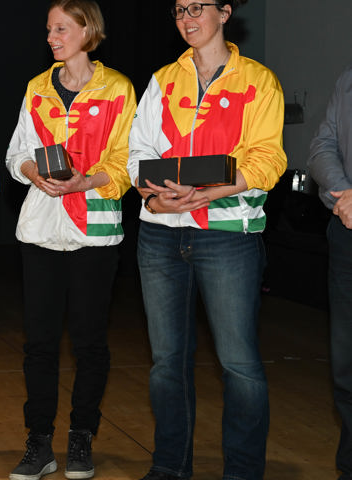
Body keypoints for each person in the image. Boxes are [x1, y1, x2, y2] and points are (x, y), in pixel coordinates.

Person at [126, 1, 286, 479]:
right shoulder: (162, 80)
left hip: (227, 236)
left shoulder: (258, 80)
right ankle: (170, 466)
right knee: (165, 364)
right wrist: (153, 200)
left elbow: (268, 160)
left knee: (239, 365)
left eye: (198, 7)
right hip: (159, 237)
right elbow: (139, 151)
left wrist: (207, 195)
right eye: (179, 10)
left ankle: (241, 472)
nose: (187, 18)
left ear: (225, 12)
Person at [5, 1, 136, 479]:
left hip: (94, 234)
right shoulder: (37, 89)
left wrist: (86, 182)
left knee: (89, 343)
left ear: (87, 30)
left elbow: (127, 162)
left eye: (61, 28)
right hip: (39, 231)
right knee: (38, 343)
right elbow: (16, 151)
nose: (51, 37)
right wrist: (31, 170)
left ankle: (81, 437)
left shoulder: (118, 88)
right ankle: (38, 442)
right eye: (48, 29)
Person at [308, 65, 352, 480]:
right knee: (346, 365)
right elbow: (322, 145)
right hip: (347, 231)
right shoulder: (347, 79)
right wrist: (345, 193)